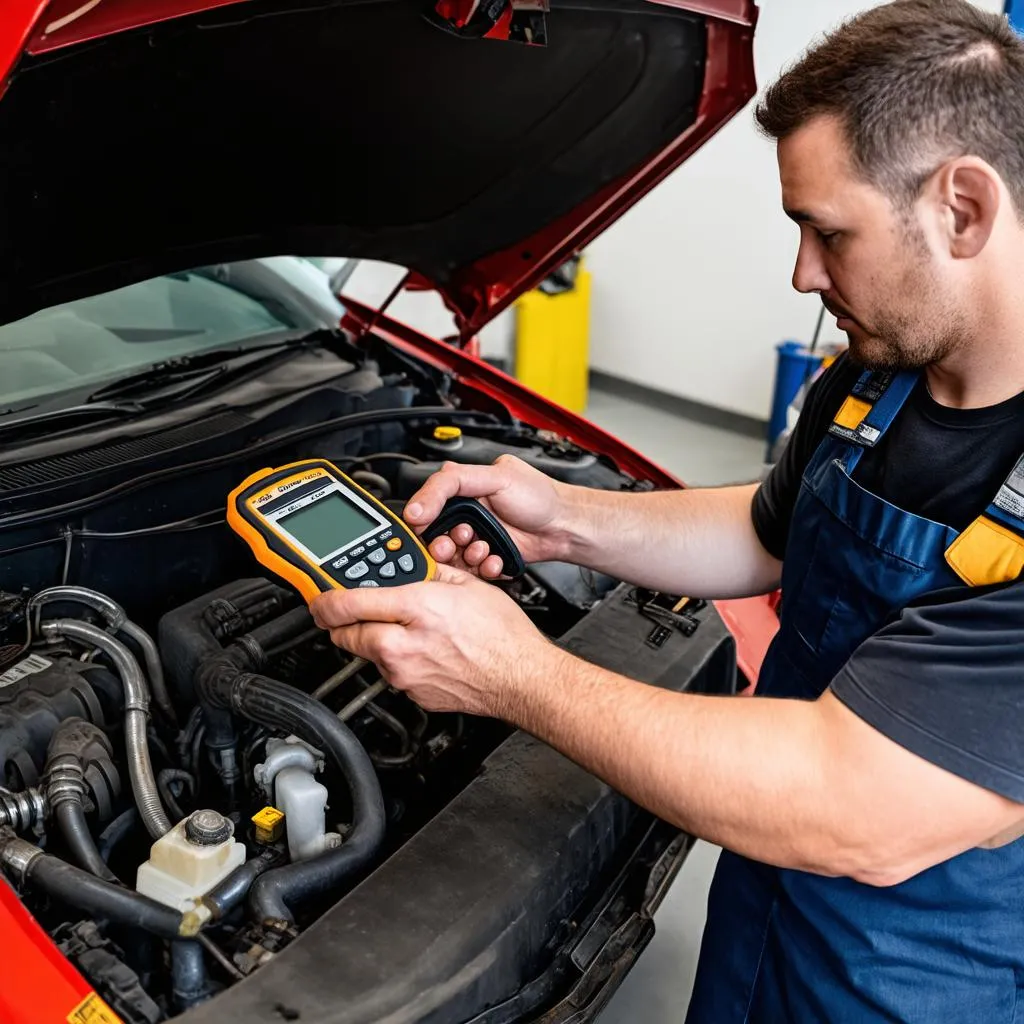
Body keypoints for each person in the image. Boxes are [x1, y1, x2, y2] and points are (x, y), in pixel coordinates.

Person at [310, 1, 1024, 1019]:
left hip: (916, 974)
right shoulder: (884, 376)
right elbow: (767, 532)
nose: (804, 276)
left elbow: (855, 805)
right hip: (766, 905)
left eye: (828, 233)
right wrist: (565, 515)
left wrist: (512, 671)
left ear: (962, 208)